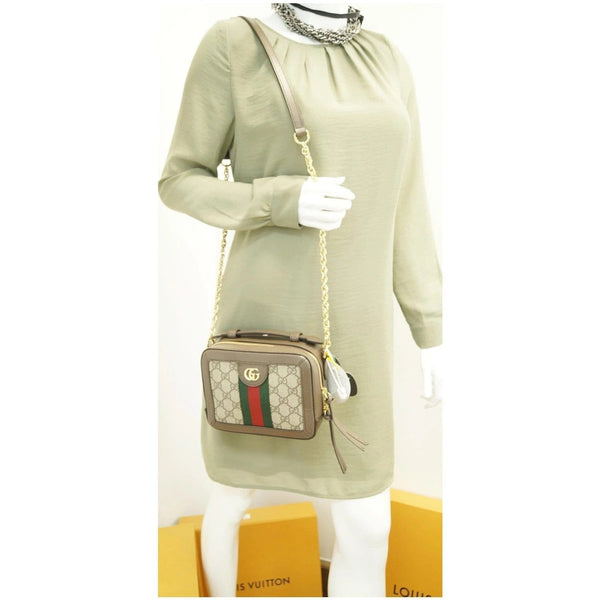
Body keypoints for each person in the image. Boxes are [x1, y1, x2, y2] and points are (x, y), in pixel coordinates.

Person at [158, 3, 442, 596]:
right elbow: (179, 179)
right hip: (262, 323)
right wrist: (280, 199)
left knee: (369, 524)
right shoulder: (235, 43)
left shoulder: (386, 57)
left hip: (357, 333)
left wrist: (430, 325)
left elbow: (407, 206)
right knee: (232, 496)